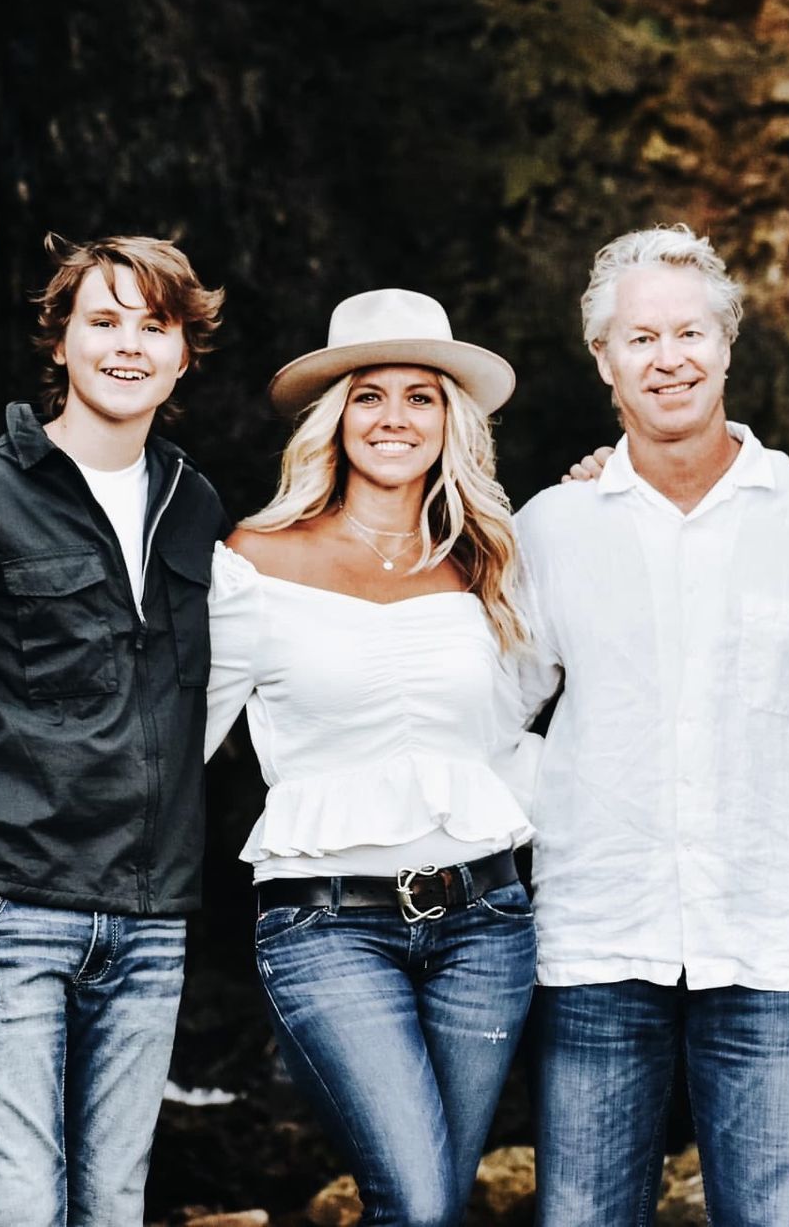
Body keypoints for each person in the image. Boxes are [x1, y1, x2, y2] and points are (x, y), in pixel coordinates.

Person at [514, 225, 789, 1226]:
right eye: (640, 338)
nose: (668, 357)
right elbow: (489, 716)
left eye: (689, 332)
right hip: (597, 937)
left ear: (728, 345)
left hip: (770, 939)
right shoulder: (550, 527)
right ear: (603, 360)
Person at [0, 235, 229, 1224]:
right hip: (6, 917)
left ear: (184, 351)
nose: (128, 345)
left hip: (151, 922)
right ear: (61, 342)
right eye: (103, 321)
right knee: (21, 1207)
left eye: (153, 326)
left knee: (112, 1208)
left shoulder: (196, 505)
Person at [203, 288, 537, 1227]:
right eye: (368, 395)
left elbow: (518, 729)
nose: (395, 417)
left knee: (429, 1203)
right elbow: (176, 738)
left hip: (487, 924)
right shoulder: (256, 559)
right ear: (333, 418)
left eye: (421, 396)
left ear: (451, 420)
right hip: (326, 927)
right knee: (423, 1203)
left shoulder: (488, 560)